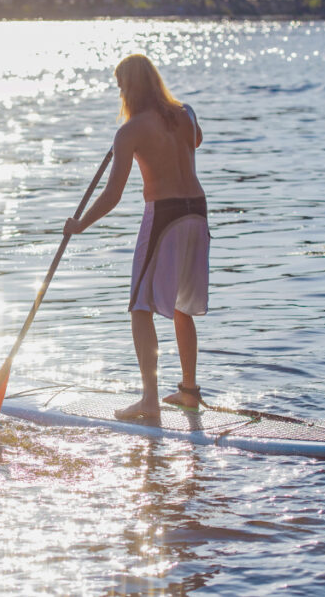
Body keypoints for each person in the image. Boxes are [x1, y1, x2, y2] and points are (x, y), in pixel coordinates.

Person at [63, 54, 209, 420]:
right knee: (181, 305)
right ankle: (189, 391)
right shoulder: (187, 113)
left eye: (120, 87)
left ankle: (149, 400)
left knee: (140, 307)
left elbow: (112, 196)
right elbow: (198, 140)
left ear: (130, 88)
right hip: (197, 210)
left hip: (164, 215)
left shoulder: (129, 132)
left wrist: (79, 224)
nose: (120, 94)